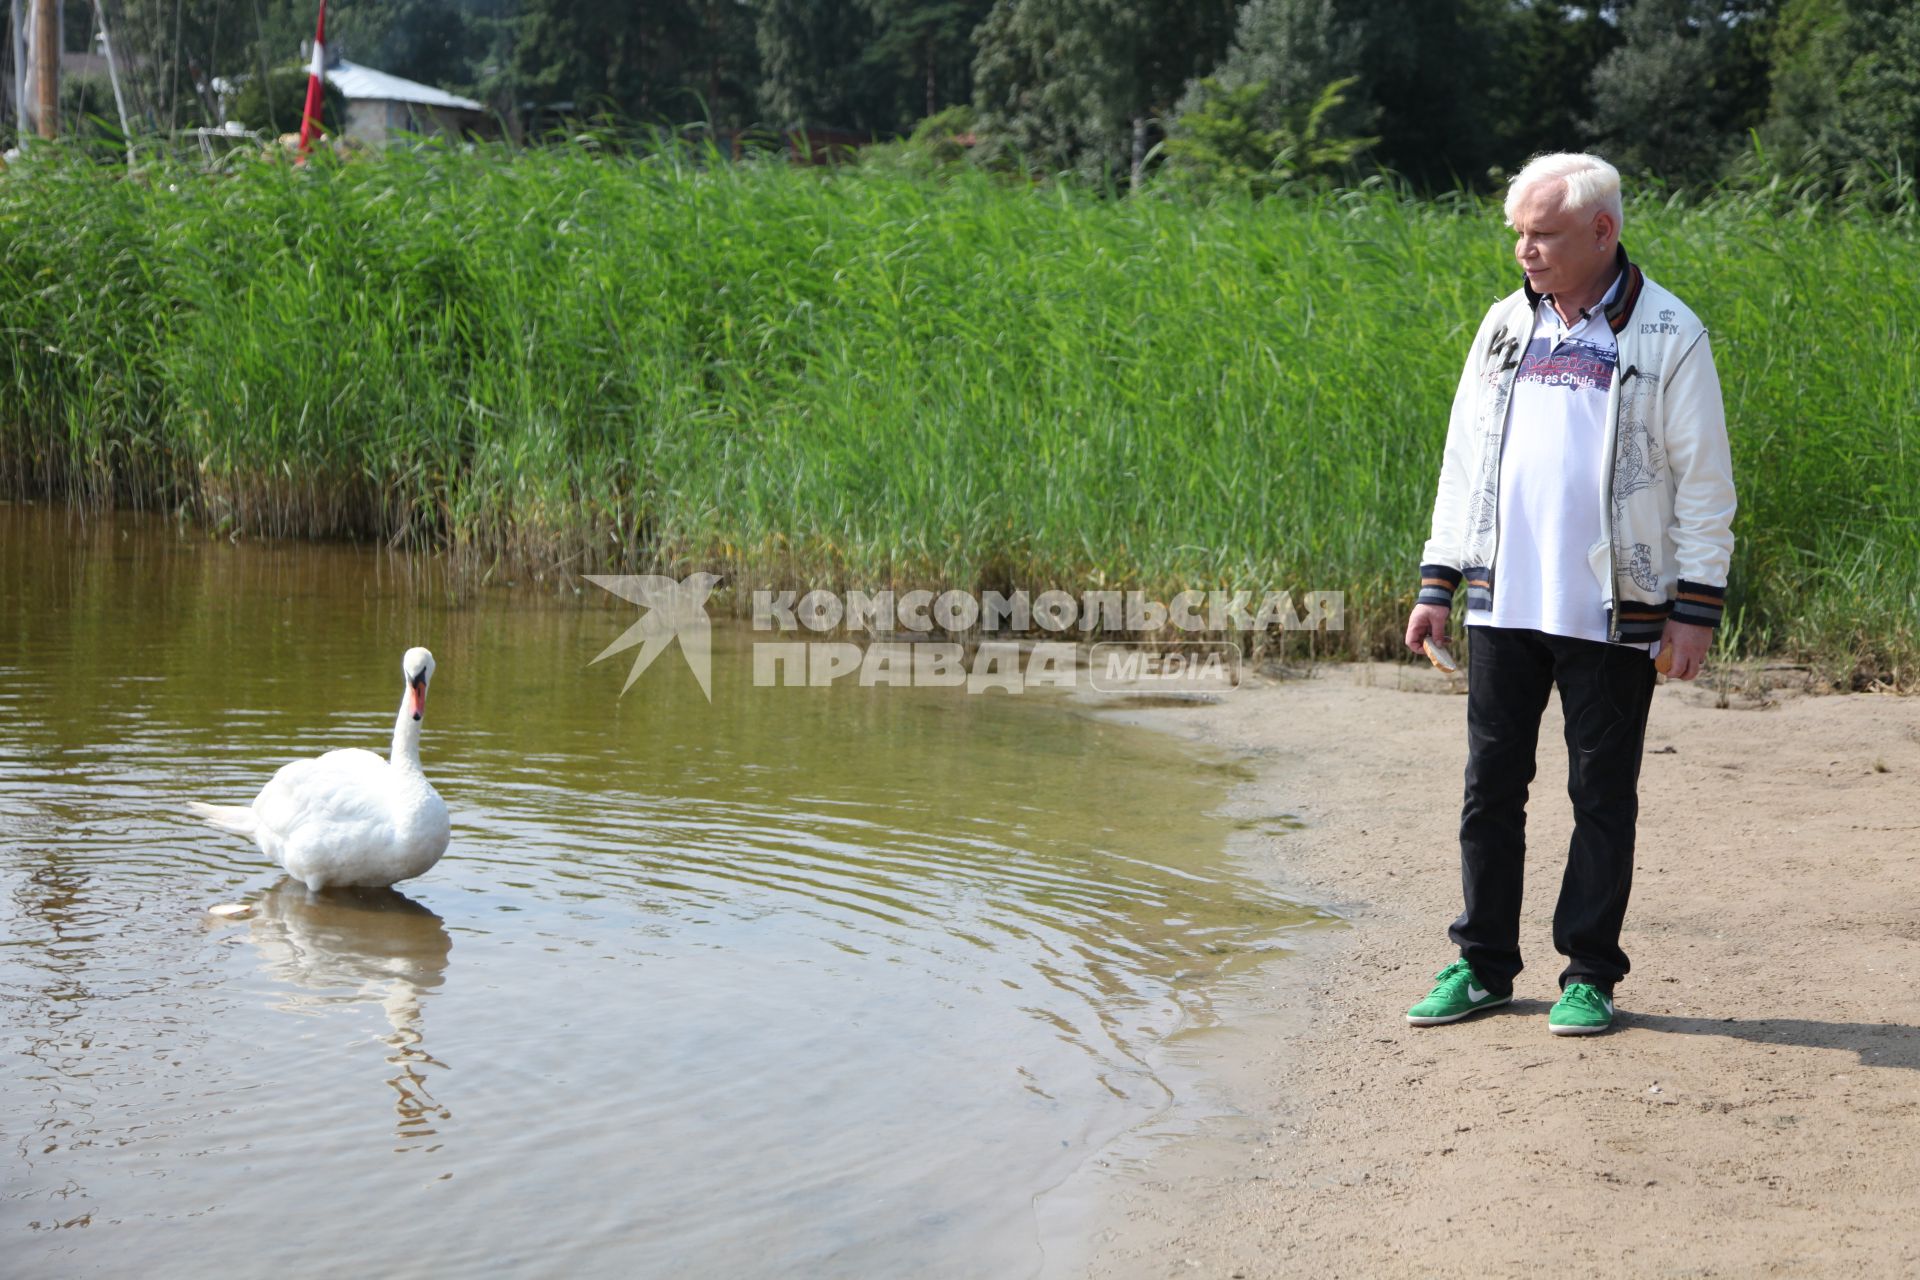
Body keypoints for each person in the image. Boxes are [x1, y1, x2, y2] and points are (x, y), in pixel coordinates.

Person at [1402, 152, 1736, 1036]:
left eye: (1544, 234)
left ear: (1602, 231)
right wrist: (1438, 582)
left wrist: (1695, 609)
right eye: (1518, 233)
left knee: (1602, 795)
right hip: (1503, 600)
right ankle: (1482, 966)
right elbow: (1462, 461)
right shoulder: (1504, 326)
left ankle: (1589, 973)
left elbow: (1704, 483)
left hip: (1619, 609)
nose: (1526, 250)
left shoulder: (1669, 333)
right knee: (1489, 789)